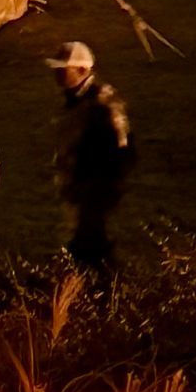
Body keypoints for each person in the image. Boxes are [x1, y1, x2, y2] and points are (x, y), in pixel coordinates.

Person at [50, 41, 134, 275]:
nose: (57, 75)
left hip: (97, 190)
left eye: (62, 69)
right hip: (80, 188)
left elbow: (122, 148)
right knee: (83, 244)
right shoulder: (75, 100)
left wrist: (103, 186)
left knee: (94, 246)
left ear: (82, 70)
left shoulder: (103, 103)